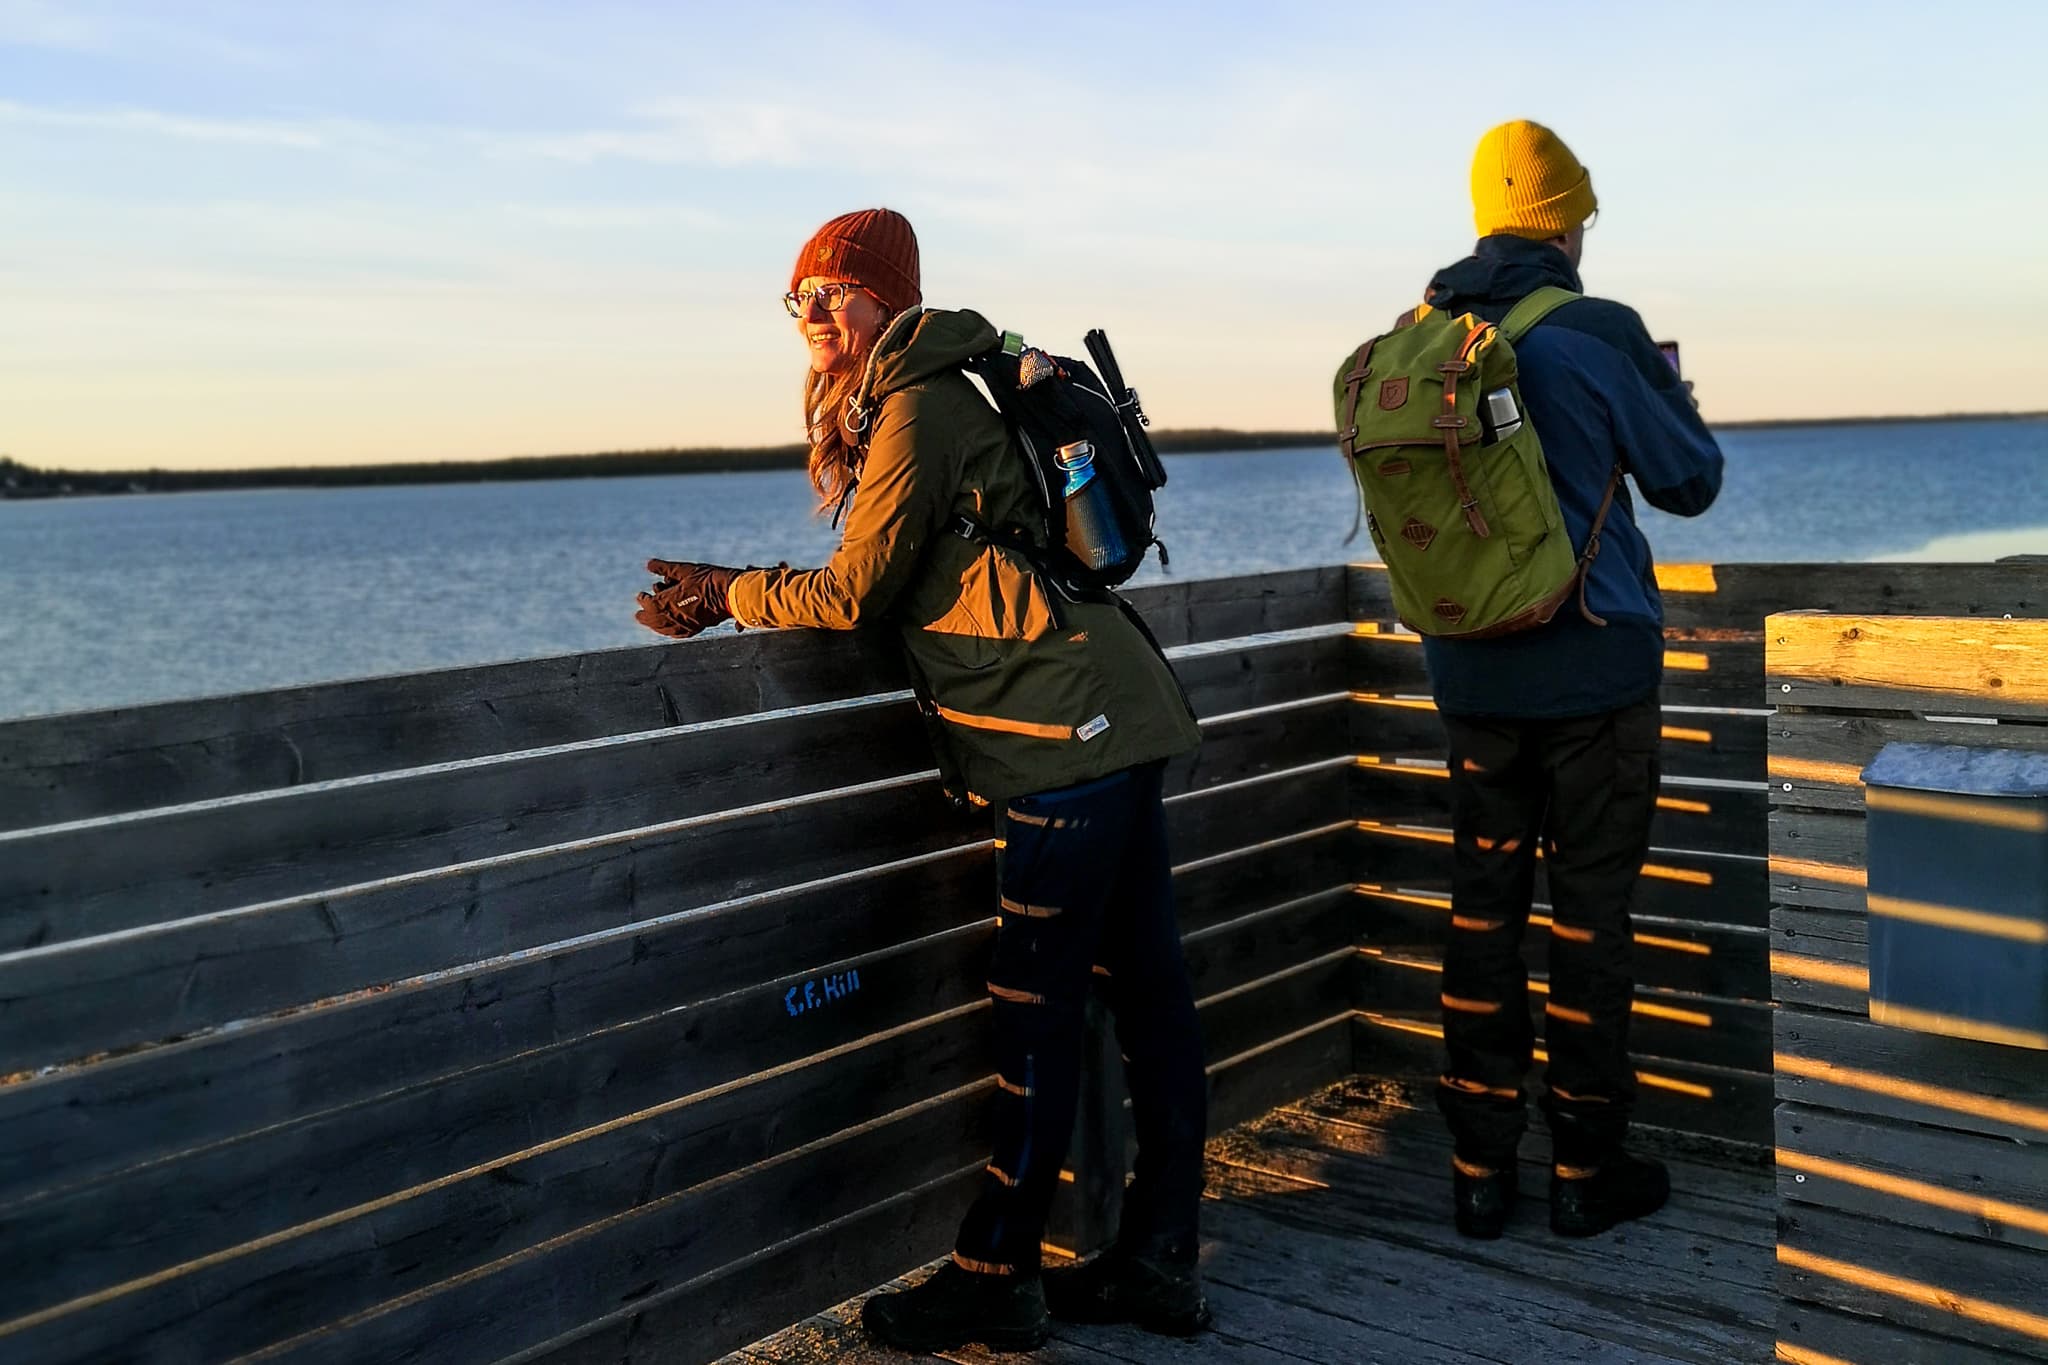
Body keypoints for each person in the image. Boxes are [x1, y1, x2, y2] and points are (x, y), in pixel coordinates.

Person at [632, 209, 1213, 1352]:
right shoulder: (942, 385)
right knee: (1146, 996)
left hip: (1064, 740)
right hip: (1106, 717)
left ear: (886, 301)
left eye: (834, 292)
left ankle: (998, 1272)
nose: (811, 312)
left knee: (1037, 1013)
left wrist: (723, 589)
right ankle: (1153, 1259)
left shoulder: (916, 407)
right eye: (796, 294)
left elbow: (853, 593)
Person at [1411, 123, 1724, 1240]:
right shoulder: (1595, 330)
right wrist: (1668, 397)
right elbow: (1690, 482)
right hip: (1592, 670)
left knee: (1480, 911)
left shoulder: (1424, 331)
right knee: (1588, 920)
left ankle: (1477, 1169)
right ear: (1566, 221)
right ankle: (1585, 1170)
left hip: (1469, 678)